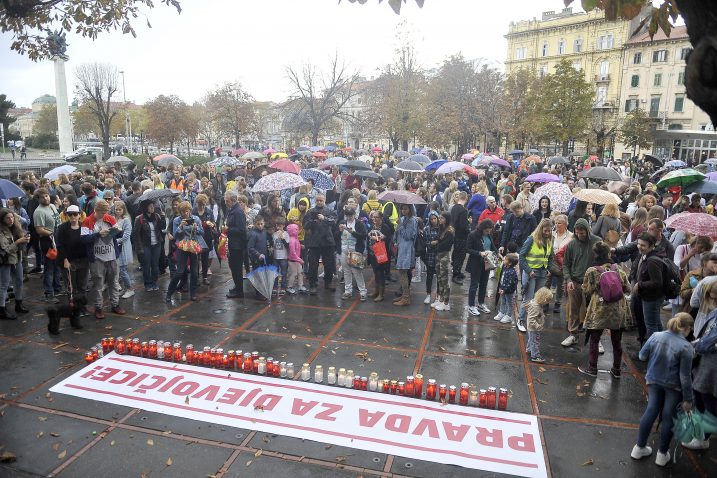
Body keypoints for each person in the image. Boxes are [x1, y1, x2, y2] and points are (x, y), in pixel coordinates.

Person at [631, 313, 694, 467]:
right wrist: (688, 399)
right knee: (669, 417)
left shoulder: (656, 336)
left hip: (653, 381)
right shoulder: (686, 347)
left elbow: (641, 356)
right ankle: (662, 454)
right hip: (673, 386)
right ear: (687, 328)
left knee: (651, 410)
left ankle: (638, 448)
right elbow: (685, 377)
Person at [578, 241, 632, 378]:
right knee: (616, 341)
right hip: (617, 309)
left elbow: (586, 289)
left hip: (599, 309)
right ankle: (617, 369)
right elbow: (627, 288)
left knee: (595, 339)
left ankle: (592, 368)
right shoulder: (618, 269)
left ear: (595, 254)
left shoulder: (592, 271)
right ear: (609, 253)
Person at [81, 199, 125, 318]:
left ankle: (115, 304)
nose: (104, 215)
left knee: (114, 282)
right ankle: (98, 307)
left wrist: (119, 231)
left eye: (106, 212)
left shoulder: (110, 218)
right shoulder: (87, 221)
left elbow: (118, 235)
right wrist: (98, 234)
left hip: (111, 256)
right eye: (102, 213)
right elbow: (84, 239)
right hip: (96, 257)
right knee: (98, 284)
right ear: (96, 210)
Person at [561, 218, 601, 346]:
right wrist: (568, 279)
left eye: (582, 233)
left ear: (587, 231)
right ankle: (573, 334)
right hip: (575, 282)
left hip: (592, 283)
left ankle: (596, 339)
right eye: (577, 233)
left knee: (594, 310)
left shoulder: (597, 242)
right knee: (573, 310)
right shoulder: (572, 244)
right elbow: (566, 264)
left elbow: (604, 260)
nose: (579, 235)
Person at [518, 219, 555, 331]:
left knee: (539, 299)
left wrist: (548, 268)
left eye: (549, 231)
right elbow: (521, 256)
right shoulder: (531, 239)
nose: (548, 233)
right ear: (541, 229)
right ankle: (520, 319)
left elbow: (550, 257)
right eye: (545, 231)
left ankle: (533, 320)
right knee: (528, 298)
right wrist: (529, 271)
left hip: (543, 273)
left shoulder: (549, 240)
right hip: (531, 273)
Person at [166, 201, 206, 302]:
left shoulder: (196, 219)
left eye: (187, 211)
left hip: (193, 246)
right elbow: (175, 236)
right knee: (179, 272)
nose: (185, 213)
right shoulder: (177, 220)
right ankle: (169, 293)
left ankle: (193, 294)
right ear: (180, 212)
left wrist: (197, 228)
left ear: (190, 210)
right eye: (183, 211)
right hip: (182, 246)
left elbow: (202, 232)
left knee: (194, 272)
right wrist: (180, 227)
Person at [55, 205, 90, 315]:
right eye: (70, 214)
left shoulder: (84, 227)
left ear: (79, 215)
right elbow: (59, 245)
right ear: (66, 215)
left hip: (83, 260)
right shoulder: (62, 228)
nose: (73, 216)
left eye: (75, 214)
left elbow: (88, 241)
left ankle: (82, 307)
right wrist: (64, 259)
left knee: (82, 285)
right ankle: (74, 308)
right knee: (71, 286)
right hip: (69, 261)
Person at [303, 194, 338, 295]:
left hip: (327, 241)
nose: (319, 202)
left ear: (325, 200)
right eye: (317, 200)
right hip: (314, 242)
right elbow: (304, 225)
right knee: (313, 265)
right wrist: (312, 221)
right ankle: (313, 284)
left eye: (321, 200)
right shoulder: (310, 212)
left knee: (329, 264)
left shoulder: (330, 211)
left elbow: (334, 222)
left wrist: (324, 218)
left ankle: (328, 282)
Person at [0, 209, 30, 320]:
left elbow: (21, 248)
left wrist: (25, 240)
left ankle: (18, 304)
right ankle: (2, 310)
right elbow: (6, 249)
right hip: (5, 261)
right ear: (2, 219)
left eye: (12, 217)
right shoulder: (1, 231)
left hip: (17, 259)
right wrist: (18, 242)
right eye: (7, 218)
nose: (11, 220)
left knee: (19, 281)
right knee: (3, 285)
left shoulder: (16, 227)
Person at [33, 188, 62, 303]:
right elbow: (39, 230)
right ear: (38, 199)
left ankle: (57, 288)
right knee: (49, 268)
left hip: (56, 240)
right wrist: (52, 233)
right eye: (42, 197)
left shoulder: (52, 206)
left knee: (57, 266)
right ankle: (49, 293)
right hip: (48, 242)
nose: (46, 198)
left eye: (47, 195)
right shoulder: (39, 212)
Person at [466, 219, 496, 316]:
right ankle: (471, 305)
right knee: (474, 284)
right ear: (482, 228)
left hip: (487, 263)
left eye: (490, 231)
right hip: (476, 263)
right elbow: (467, 249)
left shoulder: (489, 235)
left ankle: (481, 303)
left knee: (484, 284)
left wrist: (498, 253)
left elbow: (492, 247)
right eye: (487, 231)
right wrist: (479, 253)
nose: (488, 232)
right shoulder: (473, 235)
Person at [339, 202, 368, 301]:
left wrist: (353, 232)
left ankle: (363, 292)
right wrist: (339, 230)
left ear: (354, 215)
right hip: (344, 251)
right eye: (347, 215)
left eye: (350, 215)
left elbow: (363, 236)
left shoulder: (359, 223)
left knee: (357, 272)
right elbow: (336, 235)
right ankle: (348, 291)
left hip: (355, 251)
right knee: (346, 271)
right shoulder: (342, 222)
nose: (349, 218)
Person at [133, 200, 164, 292]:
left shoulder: (157, 216)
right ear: (145, 207)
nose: (152, 208)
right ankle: (147, 283)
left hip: (156, 244)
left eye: (153, 206)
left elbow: (162, 228)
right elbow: (136, 234)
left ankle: (154, 282)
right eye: (150, 206)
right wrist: (139, 248)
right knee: (146, 265)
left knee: (155, 265)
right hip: (146, 245)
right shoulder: (140, 219)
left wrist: (163, 217)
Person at [393, 204, 418, 306]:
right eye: (402, 209)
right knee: (402, 273)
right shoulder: (403, 218)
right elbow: (398, 233)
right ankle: (404, 295)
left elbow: (408, 236)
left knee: (403, 273)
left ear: (410, 209)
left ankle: (406, 298)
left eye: (406, 209)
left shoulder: (412, 220)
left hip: (407, 249)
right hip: (401, 247)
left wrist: (401, 225)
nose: (403, 210)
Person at [224, 190, 247, 298]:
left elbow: (242, 230)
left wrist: (228, 229)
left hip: (238, 246)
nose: (225, 203)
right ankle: (237, 286)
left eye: (227, 201)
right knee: (233, 267)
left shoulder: (238, 212)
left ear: (233, 200)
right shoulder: (232, 210)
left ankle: (239, 291)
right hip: (233, 243)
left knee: (237, 268)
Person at [367, 210, 393, 302]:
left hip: (381, 254)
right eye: (373, 217)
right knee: (375, 273)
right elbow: (368, 238)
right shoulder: (372, 227)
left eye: (376, 217)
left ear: (381, 218)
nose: (374, 219)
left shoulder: (385, 227)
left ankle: (381, 294)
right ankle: (376, 291)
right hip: (372, 253)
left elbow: (388, 239)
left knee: (380, 274)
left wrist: (378, 238)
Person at [430, 212, 453, 311]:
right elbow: (437, 238)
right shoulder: (441, 228)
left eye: (442, 218)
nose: (440, 219)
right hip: (439, 255)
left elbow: (446, 244)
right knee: (439, 278)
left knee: (444, 280)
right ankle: (441, 299)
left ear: (447, 219)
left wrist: (437, 243)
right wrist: (436, 242)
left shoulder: (450, 231)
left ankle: (446, 302)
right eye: (440, 218)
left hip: (444, 256)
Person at [113, 201, 134, 299]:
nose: (117, 211)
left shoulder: (126, 220)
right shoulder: (114, 219)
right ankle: (127, 288)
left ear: (123, 210)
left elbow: (127, 235)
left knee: (123, 270)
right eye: (116, 209)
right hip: (117, 246)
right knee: (120, 269)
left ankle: (130, 289)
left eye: (119, 209)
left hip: (124, 247)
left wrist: (117, 240)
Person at [526, 287, 554, 363]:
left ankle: (529, 350)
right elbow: (531, 319)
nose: (548, 302)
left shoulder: (536, 303)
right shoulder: (536, 307)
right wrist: (538, 326)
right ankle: (535, 356)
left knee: (531, 339)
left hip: (532, 328)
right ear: (543, 298)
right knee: (535, 341)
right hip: (534, 328)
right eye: (548, 300)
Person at [193, 193, 216, 285]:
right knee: (196, 258)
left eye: (204, 205)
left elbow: (214, 222)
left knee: (205, 258)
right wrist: (203, 224)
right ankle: (196, 277)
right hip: (197, 237)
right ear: (197, 204)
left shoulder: (209, 211)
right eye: (200, 205)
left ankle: (205, 277)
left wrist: (212, 224)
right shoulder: (193, 211)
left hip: (207, 237)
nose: (202, 207)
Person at [450, 191, 470, 285]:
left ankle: (457, 271)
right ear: (466, 198)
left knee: (456, 253)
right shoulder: (463, 210)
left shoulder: (454, 207)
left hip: (455, 234)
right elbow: (463, 226)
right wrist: (469, 229)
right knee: (460, 256)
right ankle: (455, 275)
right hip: (462, 236)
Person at [494, 253, 519, 325]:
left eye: (505, 259)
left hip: (509, 291)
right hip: (503, 289)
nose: (504, 259)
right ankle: (502, 312)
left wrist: (504, 289)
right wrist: (500, 287)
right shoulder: (505, 268)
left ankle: (508, 316)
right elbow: (502, 279)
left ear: (510, 263)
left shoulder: (512, 272)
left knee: (509, 303)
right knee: (503, 301)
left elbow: (510, 283)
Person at [422, 211, 440, 305]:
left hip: (440, 256)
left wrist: (438, 243)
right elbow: (425, 242)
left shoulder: (442, 229)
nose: (433, 221)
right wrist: (432, 243)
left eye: (435, 218)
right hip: (430, 255)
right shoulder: (426, 229)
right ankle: (428, 294)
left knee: (439, 277)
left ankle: (438, 296)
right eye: (431, 219)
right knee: (429, 276)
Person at [272, 217, 290, 296]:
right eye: (277, 226)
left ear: (283, 226)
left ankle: (283, 287)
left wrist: (282, 238)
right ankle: (275, 287)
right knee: (275, 272)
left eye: (280, 226)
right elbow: (272, 244)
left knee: (284, 272)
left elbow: (288, 246)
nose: (278, 228)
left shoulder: (286, 234)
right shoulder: (274, 234)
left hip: (284, 257)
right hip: (275, 257)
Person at [286, 223, 304, 295]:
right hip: (293, 260)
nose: (297, 230)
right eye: (296, 229)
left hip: (297, 260)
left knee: (300, 273)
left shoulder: (295, 239)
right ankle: (289, 287)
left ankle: (300, 286)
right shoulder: (292, 240)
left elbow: (296, 248)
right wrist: (300, 260)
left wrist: (300, 246)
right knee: (294, 274)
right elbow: (292, 253)